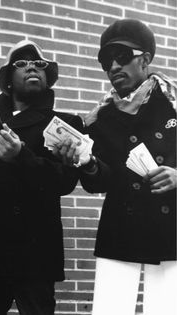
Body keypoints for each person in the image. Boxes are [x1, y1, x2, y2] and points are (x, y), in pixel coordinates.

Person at [0, 40, 83, 315]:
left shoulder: (66, 123)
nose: (32, 66)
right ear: (8, 80)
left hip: (36, 251)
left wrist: (21, 156)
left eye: (39, 64)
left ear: (47, 78)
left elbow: (65, 182)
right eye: (21, 63)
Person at [54, 19, 177, 315]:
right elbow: (99, 183)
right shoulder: (100, 118)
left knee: (167, 308)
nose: (113, 66)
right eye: (106, 60)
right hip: (121, 227)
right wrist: (87, 162)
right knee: (111, 309)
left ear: (145, 59)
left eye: (122, 57)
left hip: (172, 226)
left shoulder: (173, 103)